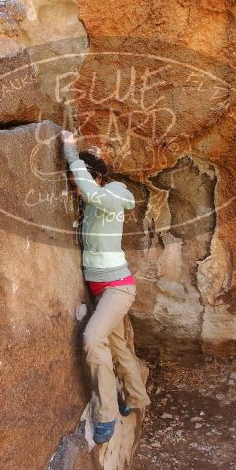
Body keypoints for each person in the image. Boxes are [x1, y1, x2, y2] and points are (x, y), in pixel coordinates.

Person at [61, 129, 151, 444]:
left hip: (118, 287)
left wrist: (72, 155)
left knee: (92, 338)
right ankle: (137, 399)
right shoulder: (94, 201)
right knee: (118, 346)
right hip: (103, 289)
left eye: (78, 180)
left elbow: (94, 193)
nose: (75, 187)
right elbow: (89, 193)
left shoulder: (114, 193)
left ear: (94, 177)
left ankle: (107, 415)